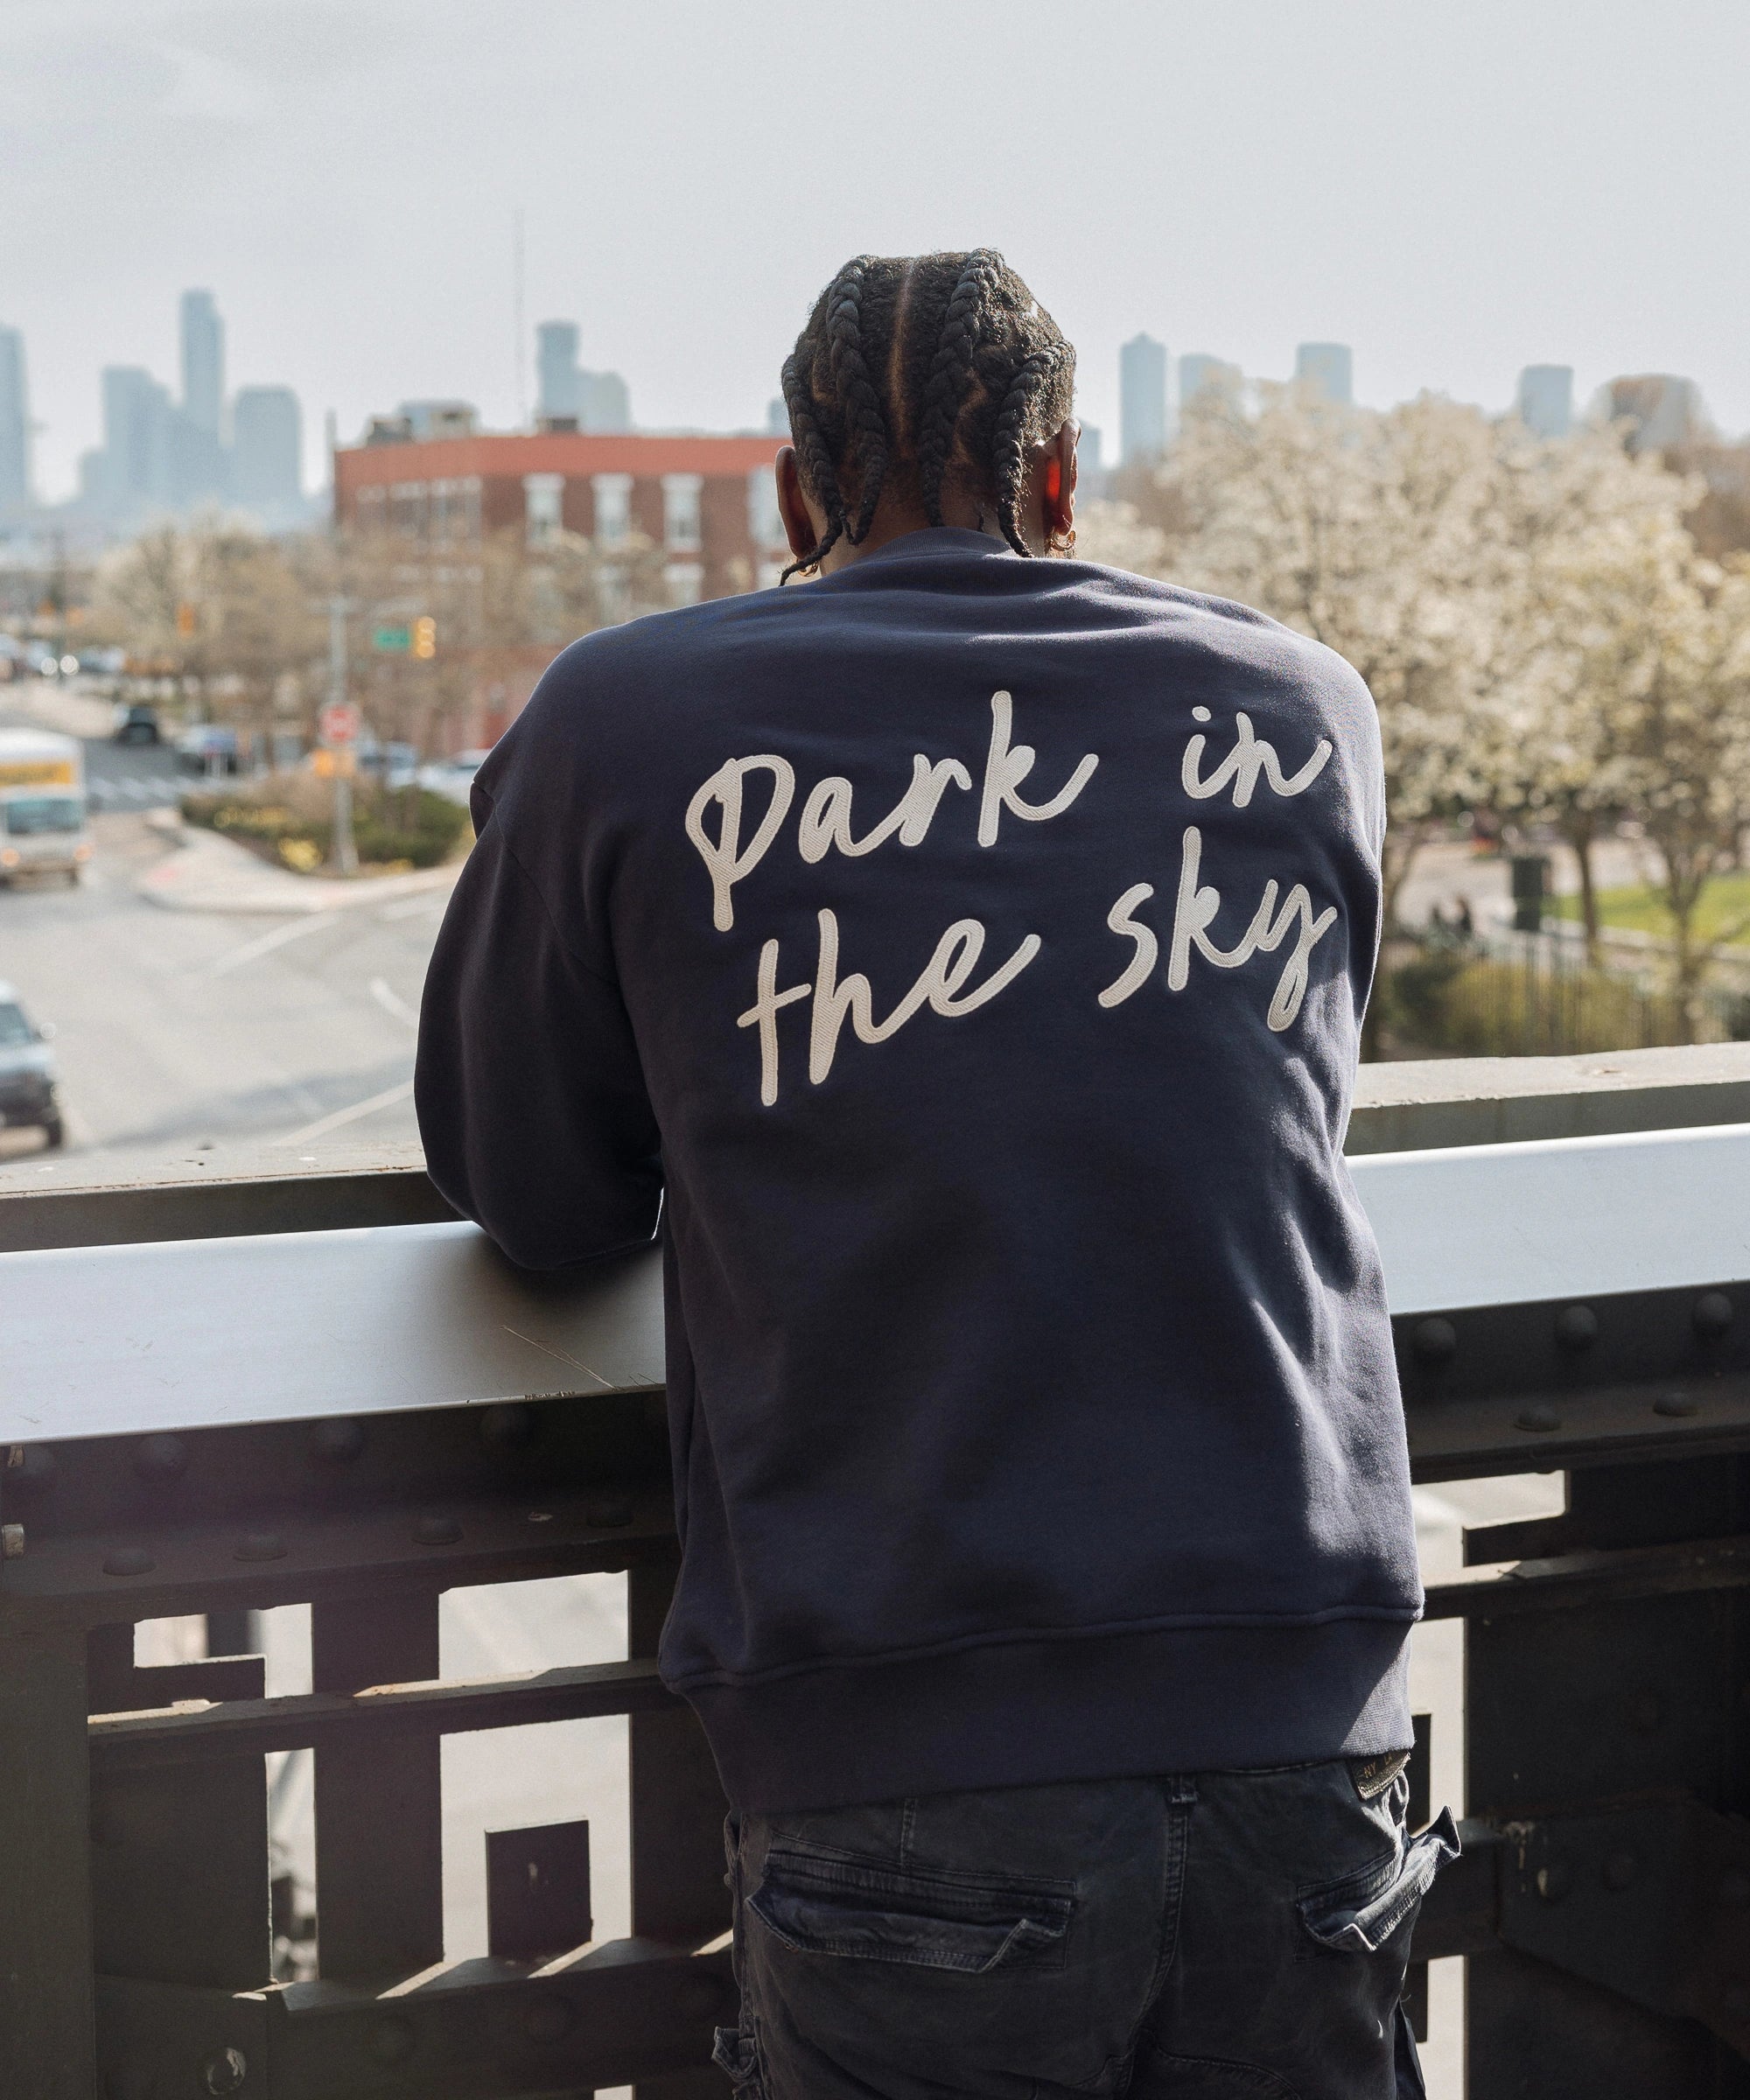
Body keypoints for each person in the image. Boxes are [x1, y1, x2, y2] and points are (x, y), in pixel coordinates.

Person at [416, 250, 1451, 2100]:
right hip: (1309, 1733)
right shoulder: (1305, 704)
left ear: (791, 495)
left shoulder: (624, 718)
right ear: (1063, 480)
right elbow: (1277, 1101)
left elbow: (533, 1187)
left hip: (905, 1746)